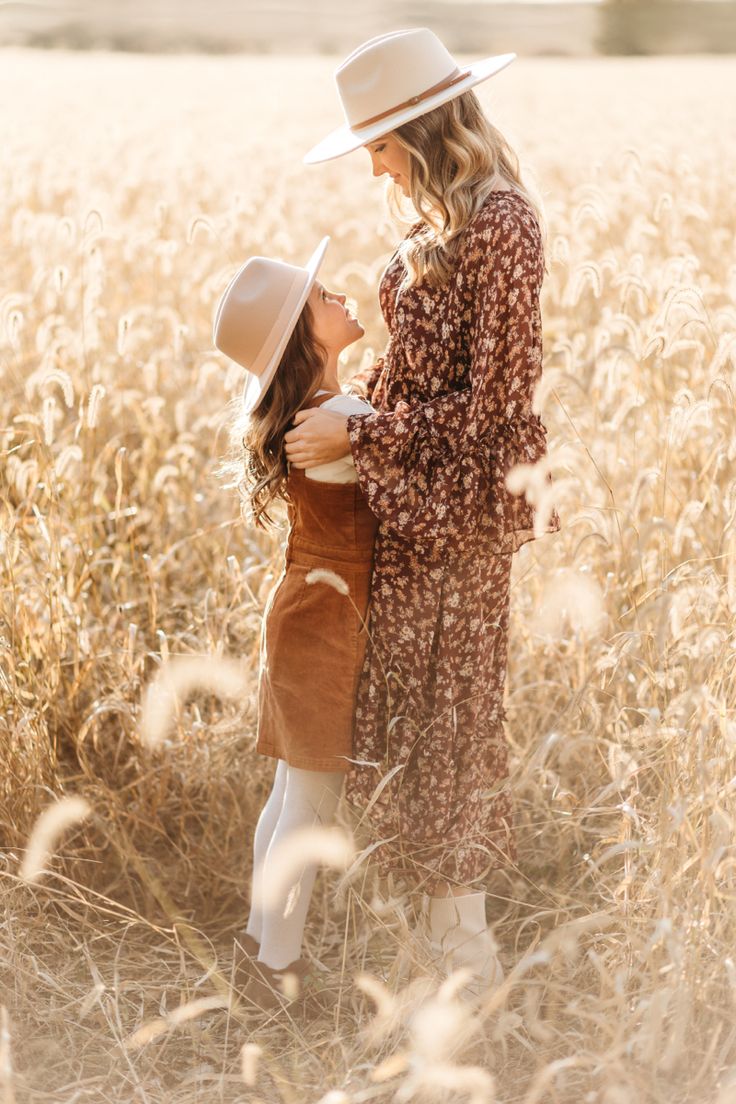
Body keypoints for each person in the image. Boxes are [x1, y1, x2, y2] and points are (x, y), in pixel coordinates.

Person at [285, 28, 562, 998]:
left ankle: (467, 967)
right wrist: (339, 405)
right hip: (409, 508)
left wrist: (363, 440)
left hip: (463, 517)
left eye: (379, 140)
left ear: (424, 127)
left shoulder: (503, 224)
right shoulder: (436, 220)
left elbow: (498, 408)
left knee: (452, 723)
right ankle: (440, 958)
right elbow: (415, 372)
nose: (370, 162)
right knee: (413, 726)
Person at [213, 237, 379, 1014]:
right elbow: (409, 449)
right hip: (327, 622)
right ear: (303, 339)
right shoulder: (344, 417)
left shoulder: (328, 412)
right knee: (311, 804)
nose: (340, 294)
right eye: (322, 297)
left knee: (289, 793)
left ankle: (258, 942)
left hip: (303, 612)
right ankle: (279, 975)